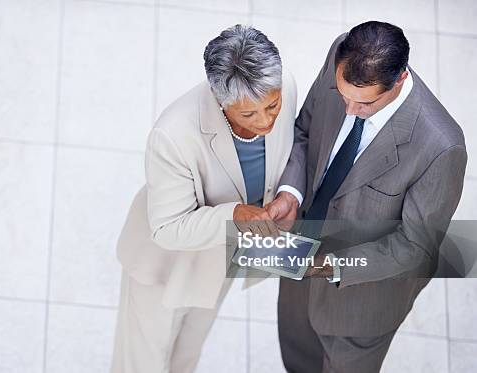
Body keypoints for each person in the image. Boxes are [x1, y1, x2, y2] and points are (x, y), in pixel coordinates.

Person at [266, 21, 467, 372]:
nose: (349, 110)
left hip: (361, 307)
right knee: (296, 359)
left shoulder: (441, 147)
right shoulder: (340, 51)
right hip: (297, 266)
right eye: (343, 95)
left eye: (364, 103)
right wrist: (291, 191)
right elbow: (305, 128)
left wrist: (334, 266)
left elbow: (416, 248)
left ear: (400, 79)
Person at [111, 25, 297, 373]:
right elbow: (168, 228)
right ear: (220, 100)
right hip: (165, 263)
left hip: (220, 257)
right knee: (143, 359)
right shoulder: (173, 135)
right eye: (248, 115)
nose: (266, 121)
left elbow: (293, 146)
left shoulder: (284, 88)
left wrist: (287, 194)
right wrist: (237, 215)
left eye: (272, 106)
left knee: (188, 350)